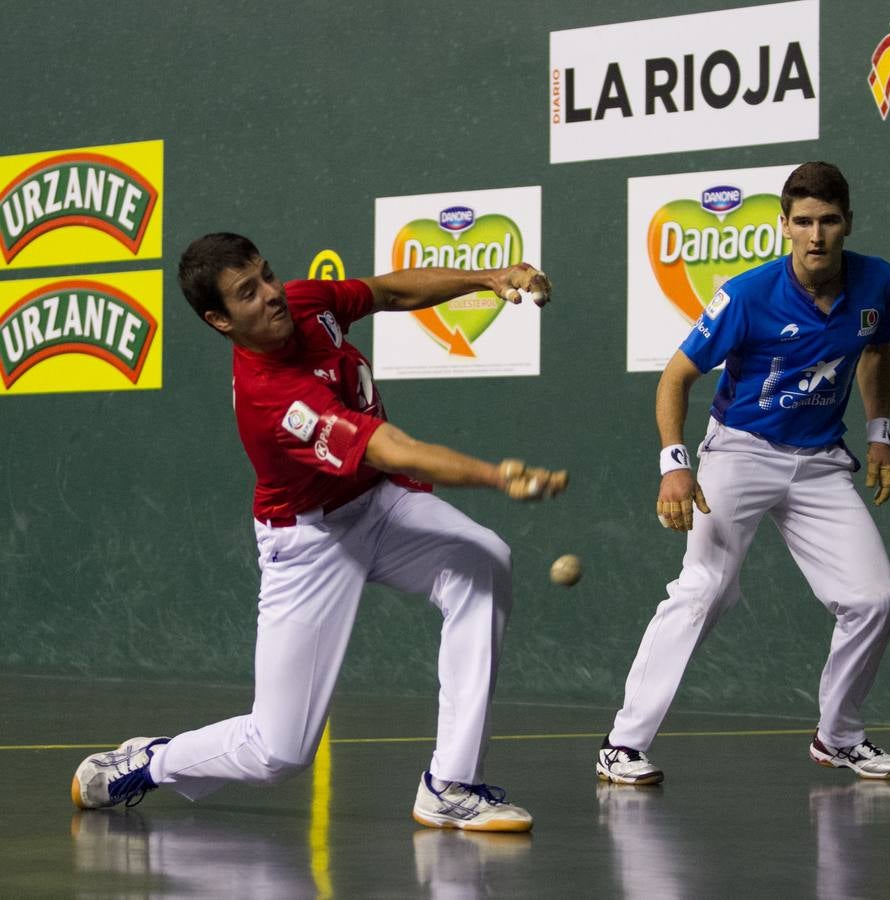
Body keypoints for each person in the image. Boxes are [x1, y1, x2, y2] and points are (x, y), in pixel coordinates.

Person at [71, 233, 566, 832]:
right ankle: (152, 763)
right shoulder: (271, 398)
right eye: (247, 294)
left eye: (267, 275)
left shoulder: (303, 303)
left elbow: (386, 291)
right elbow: (391, 448)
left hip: (375, 503)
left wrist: (485, 278)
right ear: (219, 320)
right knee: (278, 750)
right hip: (308, 541)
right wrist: (494, 475)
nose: (272, 296)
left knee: (484, 562)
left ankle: (452, 784)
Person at [597, 162, 890, 785]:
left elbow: (876, 351)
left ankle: (837, 735)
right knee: (705, 588)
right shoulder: (746, 295)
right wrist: (675, 465)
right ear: (783, 226)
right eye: (802, 223)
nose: (816, 236)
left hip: (820, 464)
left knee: (875, 599)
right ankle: (623, 745)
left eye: (828, 221)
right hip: (740, 452)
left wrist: (880, 436)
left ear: (847, 222)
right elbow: (676, 377)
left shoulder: (877, 280)